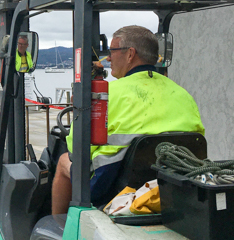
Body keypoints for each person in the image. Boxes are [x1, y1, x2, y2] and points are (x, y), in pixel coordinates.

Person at [51, 25, 204, 214]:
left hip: (111, 189)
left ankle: (60, 226)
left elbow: (76, 148)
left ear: (130, 54)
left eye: (112, 51)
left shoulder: (107, 95)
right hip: (172, 187)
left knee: (64, 160)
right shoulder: (183, 94)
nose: (108, 58)